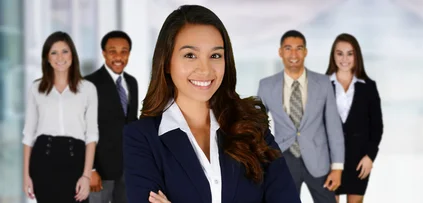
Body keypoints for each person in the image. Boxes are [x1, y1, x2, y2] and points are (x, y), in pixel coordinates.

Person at [122, 5, 301, 203]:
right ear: (166, 63)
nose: (205, 69)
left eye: (215, 56)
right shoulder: (142, 138)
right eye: (190, 55)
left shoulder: (253, 127)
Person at [257, 30, 345, 203]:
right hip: (284, 158)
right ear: (280, 52)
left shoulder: (323, 83)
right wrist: (261, 161)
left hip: (319, 160)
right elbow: (257, 126)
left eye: (299, 48)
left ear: (305, 51)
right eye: (288, 48)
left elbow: (334, 127)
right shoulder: (266, 85)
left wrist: (337, 167)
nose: (294, 54)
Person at [22, 31, 98, 203]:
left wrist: (86, 175)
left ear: (72, 55)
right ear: (47, 58)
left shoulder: (88, 89)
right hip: (43, 159)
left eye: (65, 51)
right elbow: (28, 135)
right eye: (53, 52)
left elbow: (91, 136)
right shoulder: (36, 89)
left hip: (76, 158)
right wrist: (26, 175)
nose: (60, 57)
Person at [325, 33, 384, 203]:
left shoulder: (368, 87)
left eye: (350, 53)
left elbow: (377, 126)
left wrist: (370, 157)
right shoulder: (321, 84)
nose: (344, 59)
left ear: (356, 56)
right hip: (329, 161)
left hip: (359, 161)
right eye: (340, 53)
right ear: (333, 55)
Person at [84, 30, 138, 203]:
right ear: (104, 53)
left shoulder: (131, 83)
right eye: (113, 51)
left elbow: (130, 122)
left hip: (127, 169)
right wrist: (90, 170)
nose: (118, 56)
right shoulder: (89, 84)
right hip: (100, 171)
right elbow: (82, 128)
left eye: (124, 51)